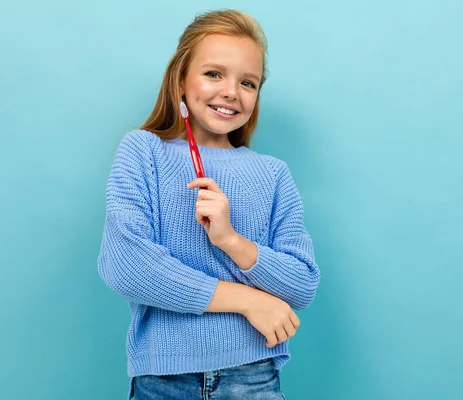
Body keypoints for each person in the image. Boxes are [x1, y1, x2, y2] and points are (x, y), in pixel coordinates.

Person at [97, 9, 320, 399]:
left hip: (252, 379)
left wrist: (231, 240)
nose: (231, 91)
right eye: (214, 74)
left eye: (248, 82)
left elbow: (301, 285)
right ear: (180, 80)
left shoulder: (273, 173)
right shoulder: (143, 151)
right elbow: (127, 266)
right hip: (162, 381)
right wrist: (248, 301)